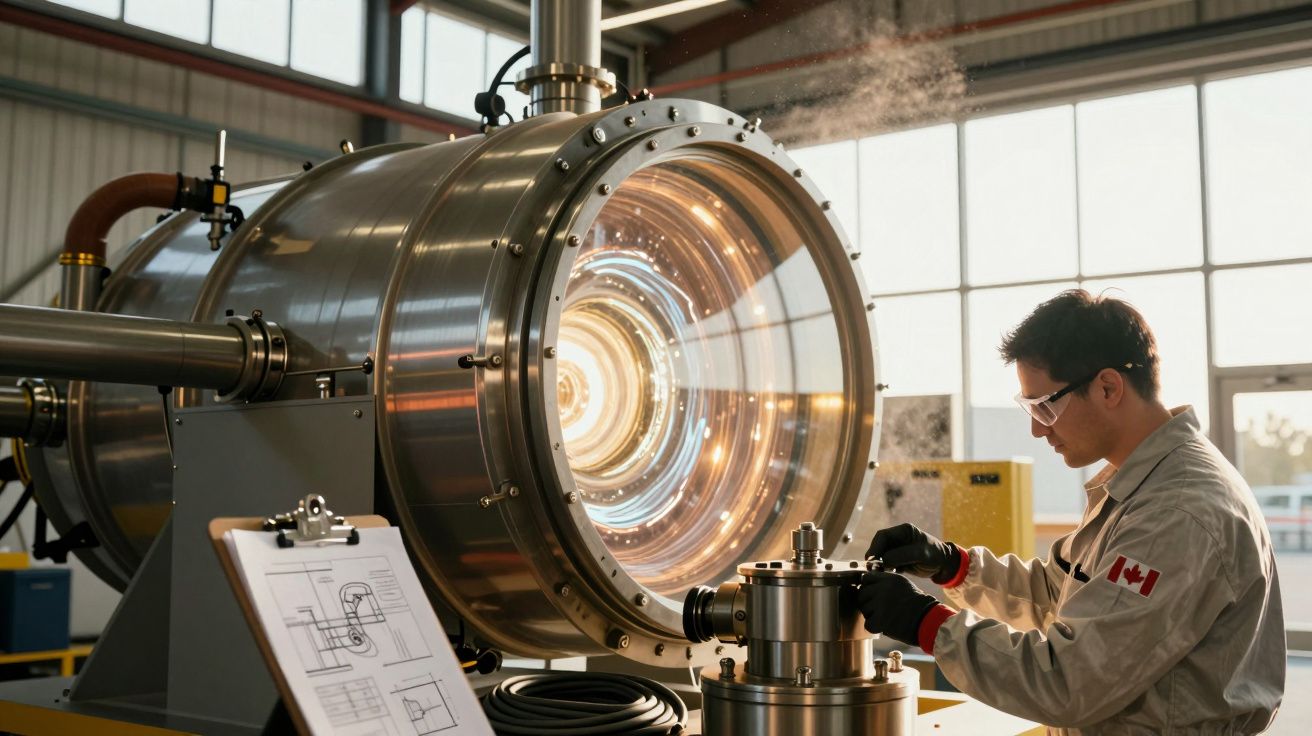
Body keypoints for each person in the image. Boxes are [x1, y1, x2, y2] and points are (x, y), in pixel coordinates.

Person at [858, 289, 1285, 733]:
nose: (1036, 429)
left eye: (1045, 405)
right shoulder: (1140, 486)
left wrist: (927, 622)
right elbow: (1060, 594)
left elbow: (1068, 681)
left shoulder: (1176, 512)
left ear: (1107, 387)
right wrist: (953, 566)